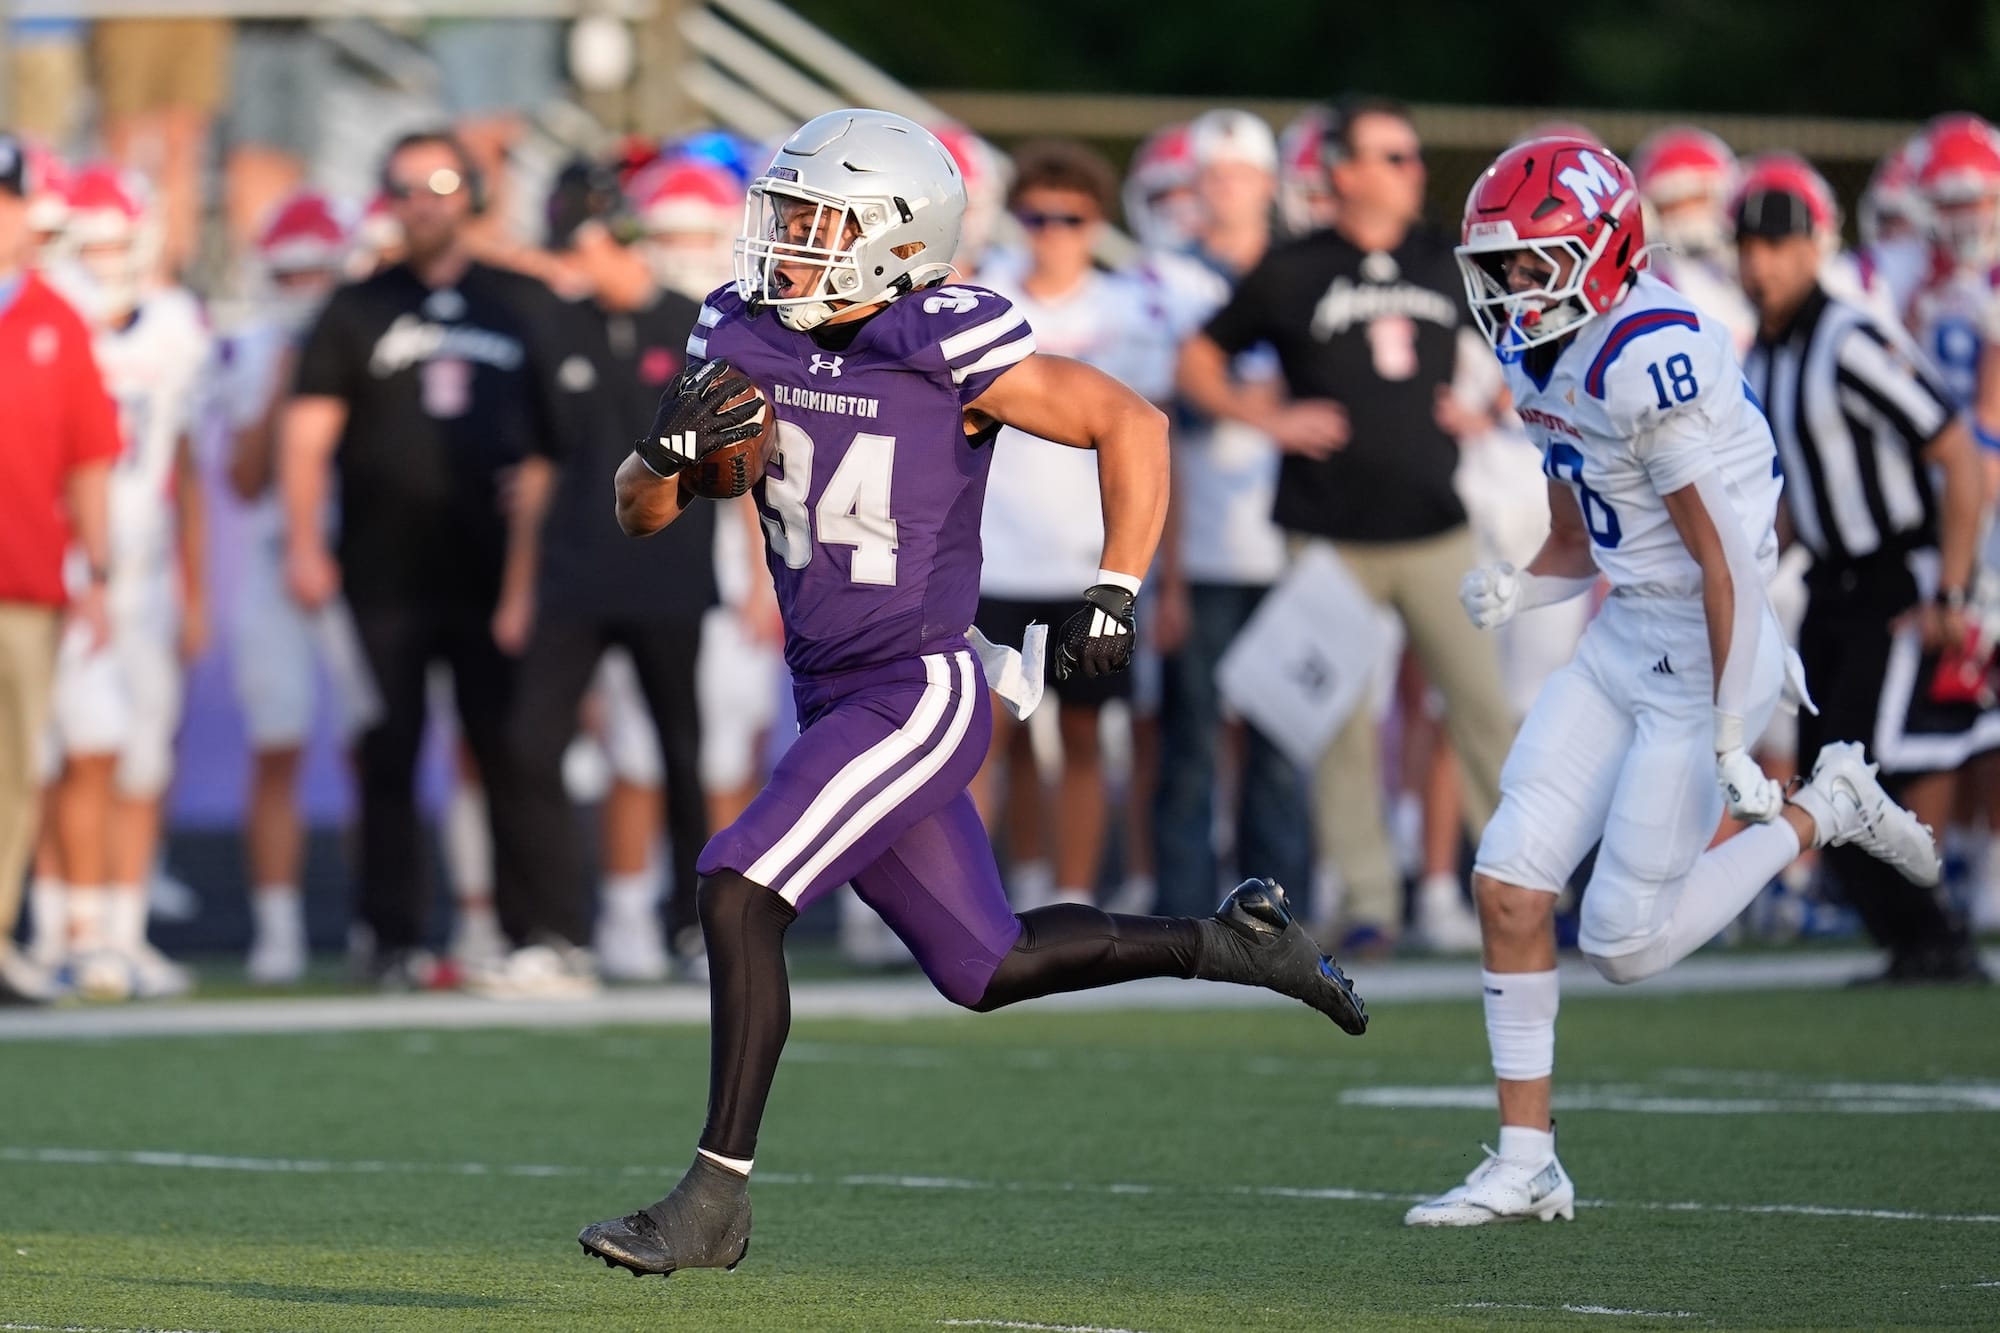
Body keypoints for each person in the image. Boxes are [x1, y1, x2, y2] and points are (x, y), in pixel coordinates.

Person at [574, 109, 1367, 1278]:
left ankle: (712, 1202)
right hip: (827, 688)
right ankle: (1231, 940)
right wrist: (662, 456)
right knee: (983, 965)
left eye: (815, 223)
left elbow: (1128, 421)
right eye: (784, 218)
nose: (785, 244)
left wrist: (1114, 587)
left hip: (916, 686)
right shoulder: (739, 328)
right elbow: (639, 513)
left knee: (738, 886)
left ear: (896, 238)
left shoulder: (941, 335)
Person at [1403, 137, 1940, 1226]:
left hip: (1706, 646)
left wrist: (1733, 732)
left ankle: (1824, 805)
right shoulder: (1542, 353)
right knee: (1507, 884)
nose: (1511, 287)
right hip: (1622, 639)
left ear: (1602, 253)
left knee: (1623, 944)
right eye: (1501, 267)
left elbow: (1726, 563)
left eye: (1533, 264)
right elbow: (1577, 538)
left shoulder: (1645, 357)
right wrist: (1522, 586)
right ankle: (1525, 1161)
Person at [1179, 95, 1514, 953]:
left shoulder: (1444, 259)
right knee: (1340, 727)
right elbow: (1198, 358)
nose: (1413, 171)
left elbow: (1524, 333)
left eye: (1412, 155)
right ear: (1345, 170)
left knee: (1483, 706)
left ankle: (1524, 882)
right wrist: (1268, 418)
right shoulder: (1295, 266)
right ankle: (1369, 900)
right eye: (1393, 156)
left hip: (1436, 525)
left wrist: (1492, 407)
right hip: (1327, 530)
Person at [281, 131, 578, 987]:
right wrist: (303, 541)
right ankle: (392, 937)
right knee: (388, 753)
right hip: (385, 572)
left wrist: (547, 524)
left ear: (472, 193)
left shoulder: (522, 299)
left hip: (499, 576)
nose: (423, 202)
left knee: (515, 750)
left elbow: (568, 436)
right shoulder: (355, 306)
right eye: (405, 186)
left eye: (440, 184)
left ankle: (540, 932)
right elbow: (307, 436)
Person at [1738, 168, 1992, 984]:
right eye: (1750, 246)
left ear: (1814, 249)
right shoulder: (1765, 353)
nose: (1761, 264)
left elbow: (1957, 453)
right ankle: (1916, 942)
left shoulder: (1847, 338)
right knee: (1820, 778)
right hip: (1831, 584)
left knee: (1851, 771)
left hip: (1895, 577)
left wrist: (1952, 588)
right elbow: (1797, 494)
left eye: (1778, 245)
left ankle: (1937, 937)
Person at [483, 160, 717, 993]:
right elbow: (537, 466)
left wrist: (764, 580)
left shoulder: (695, 326)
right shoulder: (555, 328)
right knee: (528, 743)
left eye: (582, 245)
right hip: (572, 573)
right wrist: (517, 588)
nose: (573, 264)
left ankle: (697, 926)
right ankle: (554, 932)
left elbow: (744, 457)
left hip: (671, 573)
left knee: (685, 752)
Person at [971, 138, 1171, 910]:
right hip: (990, 557)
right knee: (986, 737)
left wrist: (1157, 571)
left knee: (1085, 735)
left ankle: (1074, 895)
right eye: (1037, 217)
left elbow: (1154, 448)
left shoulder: (1130, 310)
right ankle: (982, 895)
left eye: (1071, 218)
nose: (1053, 233)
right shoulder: (981, 299)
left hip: (1091, 562)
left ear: (1097, 223)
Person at [34, 163, 209, 1001]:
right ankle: (64, 928)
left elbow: (185, 466)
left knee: (140, 757)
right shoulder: (44, 317)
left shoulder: (175, 324)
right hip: (67, 563)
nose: (104, 259)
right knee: (74, 748)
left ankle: (123, 930)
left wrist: (197, 588)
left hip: (145, 566)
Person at [1145, 110, 1312, 923]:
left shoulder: (1304, 275)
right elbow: (1166, 413)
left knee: (1281, 744)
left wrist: (1233, 396)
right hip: (1204, 546)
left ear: (1270, 184)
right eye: (1215, 175)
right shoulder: (1163, 280)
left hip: (1288, 543)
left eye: (1243, 175)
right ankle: (1183, 912)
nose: (1228, 191)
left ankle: (1276, 913)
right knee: (1191, 743)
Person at [223, 190, 362, 984]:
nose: (305, 288)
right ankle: (276, 928)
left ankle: (374, 919)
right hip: (278, 559)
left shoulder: (367, 332)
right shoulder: (252, 351)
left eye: (318, 272)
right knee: (277, 743)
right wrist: (286, 382)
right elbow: (244, 480)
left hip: (358, 559)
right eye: (291, 273)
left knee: (371, 748)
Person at [0, 133, 119, 1004]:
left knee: (12, 772)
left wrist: (99, 572)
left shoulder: (56, 318)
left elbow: (89, 457)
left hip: (24, 582)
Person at [1630, 126, 1753, 351]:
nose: (1689, 214)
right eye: (1673, 204)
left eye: (1698, 198)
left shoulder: (1751, 268)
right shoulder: (1654, 286)